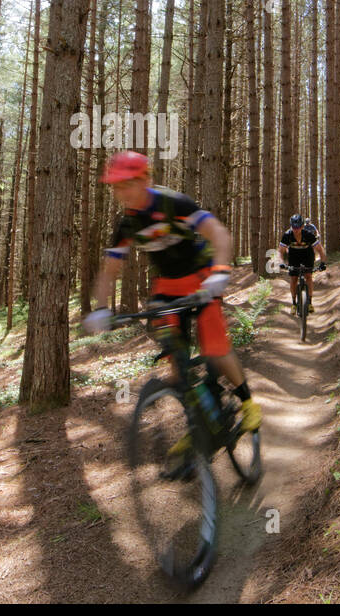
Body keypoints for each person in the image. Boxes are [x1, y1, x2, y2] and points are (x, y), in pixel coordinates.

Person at [83, 151, 261, 435]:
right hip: (166, 287)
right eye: (115, 186)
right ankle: (196, 432)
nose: (120, 192)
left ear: (145, 180)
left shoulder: (174, 203)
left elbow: (219, 234)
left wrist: (221, 272)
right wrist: (101, 308)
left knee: (215, 349)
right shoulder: (127, 224)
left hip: (201, 279)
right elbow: (109, 270)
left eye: (126, 183)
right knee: (175, 362)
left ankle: (248, 402)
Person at [278, 213, 325, 310]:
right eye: (294, 227)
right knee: (294, 278)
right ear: (291, 226)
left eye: (298, 227)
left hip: (307, 255)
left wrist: (322, 263)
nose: (296, 229)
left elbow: (320, 250)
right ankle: (294, 303)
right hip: (294, 256)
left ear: (302, 226)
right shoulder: (287, 235)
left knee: (308, 276)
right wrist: (281, 262)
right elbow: (280, 252)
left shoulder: (309, 235)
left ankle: (310, 302)